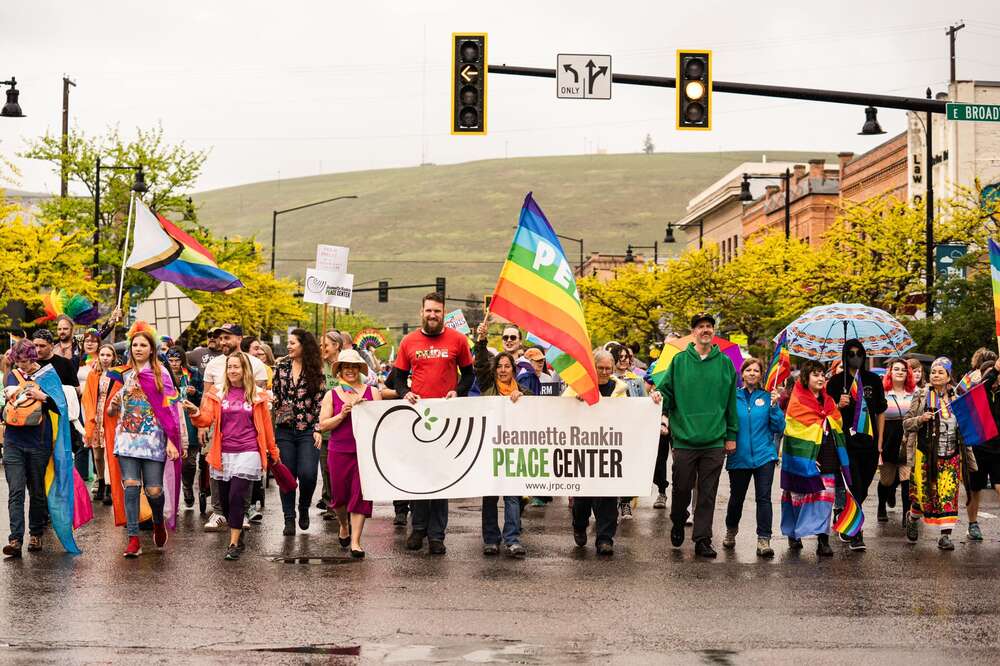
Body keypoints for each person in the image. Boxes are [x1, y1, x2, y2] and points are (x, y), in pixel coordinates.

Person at [393, 292, 475, 555]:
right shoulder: (408, 341)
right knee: (419, 476)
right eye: (428, 311)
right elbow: (397, 378)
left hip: (446, 419)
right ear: (421, 312)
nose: (432, 315)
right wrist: (403, 392)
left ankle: (437, 535)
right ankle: (418, 529)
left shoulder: (458, 340)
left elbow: (469, 374)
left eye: (437, 311)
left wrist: (458, 391)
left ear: (443, 313)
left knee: (440, 478)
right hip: (417, 418)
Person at [186, 351, 280, 560]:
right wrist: (194, 412)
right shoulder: (218, 393)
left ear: (245, 369)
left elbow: (266, 427)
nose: (232, 371)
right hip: (224, 452)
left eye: (236, 367)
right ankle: (236, 528)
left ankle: (234, 543)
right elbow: (205, 420)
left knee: (238, 496)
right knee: (227, 503)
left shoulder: (257, 395)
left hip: (248, 452)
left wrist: (273, 452)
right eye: (230, 367)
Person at [658, 313, 737, 558]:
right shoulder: (679, 361)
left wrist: (731, 434)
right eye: (701, 326)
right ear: (693, 332)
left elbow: (731, 403)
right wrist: (660, 404)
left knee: (707, 493)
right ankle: (678, 519)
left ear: (713, 332)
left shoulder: (725, 364)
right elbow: (666, 392)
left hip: (714, 440)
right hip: (683, 439)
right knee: (681, 488)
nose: (705, 330)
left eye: (709, 326)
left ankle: (703, 539)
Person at [106, 323, 185, 558]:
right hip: (127, 440)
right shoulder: (124, 374)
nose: (138, 348)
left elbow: (171, 408)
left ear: (152, 349)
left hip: (153, 441)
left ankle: (158, 522)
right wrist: (112, 405)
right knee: (131, 488)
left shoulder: (162, 374)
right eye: (135, 345)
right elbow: (112, 410)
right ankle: (133, 540)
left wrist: (172, 440)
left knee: (154, 491)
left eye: (143, 345)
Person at [901, 357, 978, 551]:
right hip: (925, 454)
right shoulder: (921, 395)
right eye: (933, 372)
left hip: (951, 455)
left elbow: (968, 425)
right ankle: (913, 517)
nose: (936, 375)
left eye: (940, 372)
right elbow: (906, 423)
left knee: (948, 494)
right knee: (922, 495)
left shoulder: (957, 398)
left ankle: (945, 536)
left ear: (948, 376)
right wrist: (920, 419)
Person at [201, 323, 269, 532]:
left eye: (227, 338)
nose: (222, 342)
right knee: (215, 467)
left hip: (245, 425)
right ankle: (219, 512)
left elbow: (260, 400)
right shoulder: (213, 365)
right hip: (217, 422)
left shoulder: (256, 364)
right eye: (220, 338)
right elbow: (206, 396)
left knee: (243, 472)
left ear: (240, 339)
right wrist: (202, 426)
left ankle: (243, 511)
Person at [780, 359, 848, 557]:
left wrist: (837, 410)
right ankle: (794, 534)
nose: (821, 378)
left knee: (824, 499)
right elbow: (793, 432)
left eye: (822, 374)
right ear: (805, 377)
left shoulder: (828, 401)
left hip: (827, 455)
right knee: (797, 498)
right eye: (815, 374)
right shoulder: (797, 400)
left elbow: (836, 424)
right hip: (804, 457)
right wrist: (806, 457)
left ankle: (823, 540)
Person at [317, 349, 381, 558]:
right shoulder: (332, 394)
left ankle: (356, 542)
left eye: (354, 367)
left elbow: (382, 424)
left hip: (364, 452)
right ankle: (343, 525)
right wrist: (342, 414)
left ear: (360, 369)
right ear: (340, 371)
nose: (350, 370)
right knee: (340, 498)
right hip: (338, 451)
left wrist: (368, 409)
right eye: (346, 367)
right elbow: (323, 424)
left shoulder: (373, 392)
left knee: (360, 496)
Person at [474, 320, 530, 558]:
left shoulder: (524, 393)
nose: (504, 370)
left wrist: (523, 400)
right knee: (490, 496)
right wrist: (481, 341)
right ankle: (491, 540)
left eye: (508, 366)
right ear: (495, 369)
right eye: (500, 366)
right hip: (490, 448)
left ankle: (513, 539)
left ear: (513, 370)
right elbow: (479, 365)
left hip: (514, 451)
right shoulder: (488, 386)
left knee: (512, 496)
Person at [564, 349, 628, 556]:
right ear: (593, 367)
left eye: (608, 368)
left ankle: (605, 538)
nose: (604, 371)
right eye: (600, 368)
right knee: (583, 496)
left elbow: (631, 414)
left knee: (608, 496)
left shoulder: (620, 389)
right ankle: (579, 525)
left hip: (609, 449)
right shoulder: (577, 387)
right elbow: (560, 408)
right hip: (583, 449)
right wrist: (576, 401)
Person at [826, 339, 887, 552]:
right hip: (845, 443)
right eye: (850, 353)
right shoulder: (835, 382)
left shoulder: (873, 380)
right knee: (854, 486)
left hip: (869, 443)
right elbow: (825, 413)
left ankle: (846, 516)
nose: (855, 357)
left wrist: (880, 441)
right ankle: (856, 532)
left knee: (864, 487)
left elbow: (880, 411)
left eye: (859, 353)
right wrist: (837, 405)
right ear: (845, 356)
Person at [722, 358, 785, 557]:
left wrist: (775, 406)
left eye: (756, 370)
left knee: (764, 498)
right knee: (736, 499)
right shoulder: (732, 397)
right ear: (742, 373)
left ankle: (764, 540)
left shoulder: (768, 397)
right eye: (748, 369)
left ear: (761, 375)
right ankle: (731, 530)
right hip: (738, 456)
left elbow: (779, 428)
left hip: (764, 456)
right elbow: (725, 422)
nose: (752, 373)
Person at [2, 340, 58, 558]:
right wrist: (8, 401)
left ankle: (36, 534)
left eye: (26, 361)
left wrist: (42, 397)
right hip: (14, 441)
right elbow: (2, 410)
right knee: (15, 490)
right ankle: (15, 539)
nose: (22, 366)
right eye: (19, 361)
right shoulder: (11, 376)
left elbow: (59, 406)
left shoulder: (47, 375)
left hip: (38, 441)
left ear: (33, 358)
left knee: (36, 490)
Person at [272, 328, 326, 536]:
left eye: (293, 342)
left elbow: (321, 403)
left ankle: (303, 507)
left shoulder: (316, 371)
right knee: (287, 476)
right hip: (284, 429)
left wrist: (319, 429)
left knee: (308, 474)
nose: (289, 346)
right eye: (288, 342)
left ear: (304, 345)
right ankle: (289, 519)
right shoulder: (281, 367)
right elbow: (276, 395)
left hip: (308, 430)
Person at [608, 342, 646, 521]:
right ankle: (610, 501)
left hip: (631, 430)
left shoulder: (637, 380)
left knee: (628, 466)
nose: (624, 360)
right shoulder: (608, 379)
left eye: (627, 357)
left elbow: (644, 404)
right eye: (620, 357)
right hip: (611, 429)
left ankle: (625, 503)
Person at [876, 358, 915, 525]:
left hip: (908, 441)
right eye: (896, 369)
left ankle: (907, 515)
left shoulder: (914, 394)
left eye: (903, 370)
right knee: (887, 480)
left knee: (907, 479)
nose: (900, 372)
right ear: (890, 373)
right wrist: (878, 443)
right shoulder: (883, 393)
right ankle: (881, 505)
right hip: (888, 441)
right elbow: (878, 419)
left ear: (908, 374)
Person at [167, 347, 206, 512]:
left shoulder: (193, 374)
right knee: (171, 460)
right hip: (171, 419)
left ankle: (187, 485)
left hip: (190, 420)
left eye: (177, 360)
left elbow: (204, 396)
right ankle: (172, 499)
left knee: (190, 461)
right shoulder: (162, 374)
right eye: (171, 360)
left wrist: (195, 392)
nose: (174, 364)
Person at [82, 343, 120, 505]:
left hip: (111, 416)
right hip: (96, 415)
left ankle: (109, 488)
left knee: (109, 453)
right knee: (97, 454)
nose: (105, 358)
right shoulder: (93, 374)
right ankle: (101, 479)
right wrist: (90, 416)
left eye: (108, 355)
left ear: (113, 357)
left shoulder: (118, 375)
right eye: (102, 355)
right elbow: (87, 396)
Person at [967, 358, 1000, 542]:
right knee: (975, 489)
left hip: (998, 449)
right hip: (979, 447)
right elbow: (983, 385)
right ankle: (972, 524)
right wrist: (994, 369)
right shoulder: (978, 392)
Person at [317, 330, 344, 516]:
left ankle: (342, 501)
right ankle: (330, 504)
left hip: (344, 426)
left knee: (340, 468)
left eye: (325, 345)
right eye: (321, 345)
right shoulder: (319, 366)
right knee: (326, 466)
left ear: (336, 346)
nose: (322, 349)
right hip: (325, 425)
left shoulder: (347, 365)